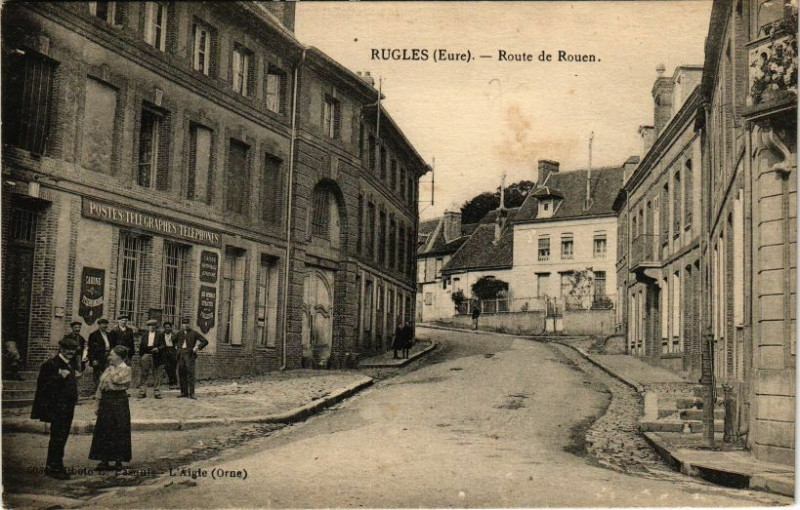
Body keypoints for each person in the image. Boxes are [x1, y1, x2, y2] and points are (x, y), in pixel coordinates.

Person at [30, 337, 80, 480]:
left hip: (67, 408)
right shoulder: (51, 364)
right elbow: (44, 387)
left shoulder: (69, 364)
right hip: (57, 408)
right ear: (61, 349)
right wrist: (59, 377)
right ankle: (53, 467)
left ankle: (57, 465)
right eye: (67, 349)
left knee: (62, 437)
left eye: (73, 350)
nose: (70, 352)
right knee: (57, 437)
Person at [89, 345, 132, 471]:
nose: (109, 357)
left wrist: (112, 370)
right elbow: (101, 385)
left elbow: (117, 380)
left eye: (112, 355)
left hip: (119, 401)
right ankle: (104, 460)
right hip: (106, 401)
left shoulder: (127, 369)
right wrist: (97, 403)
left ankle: (119, 460)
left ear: (119, 357)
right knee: (104, 429)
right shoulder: (109, 368)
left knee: (119, 429)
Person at [175, 317, 208, 399]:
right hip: (181, 354)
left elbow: (205, 341)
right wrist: (177, 347)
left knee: (190, 374)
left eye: (187, 324)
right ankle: (183, 392)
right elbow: (173, 341)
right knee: (181, 373)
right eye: (184, 324)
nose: (185, 325)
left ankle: (192, 393)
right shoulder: (180, 333)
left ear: (189, 324)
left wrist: (197, 347)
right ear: (182, 325)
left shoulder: (194, 333)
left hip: (189, 355)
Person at [137, 319, 165, 398]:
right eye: (150, 326)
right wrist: (141, 356)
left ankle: (157, 392)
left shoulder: (160, 334)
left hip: (156, 355)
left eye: (153, 326)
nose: (151, 327)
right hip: (146, 354)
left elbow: (163, 345)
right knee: (144, 374)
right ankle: (142, 392)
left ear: (156, 326)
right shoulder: (145, 335)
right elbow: (141, 346)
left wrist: (158, 349)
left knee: (156, 374)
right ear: (148, 327)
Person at [87, 318, 112, 392]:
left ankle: (105, 389)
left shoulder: (108, 334)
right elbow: (91, 348)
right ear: (99, 325)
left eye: (106, 324)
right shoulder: (93, 335)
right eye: (103, 324)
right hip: (98, 357)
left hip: (107, 357)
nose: (105, 326)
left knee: (107, 373)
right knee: (97, 374)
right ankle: (97, 389)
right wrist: (93, 359)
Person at [161, 321, 179, 389]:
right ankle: (171, 382)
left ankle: (175, 383)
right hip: (165, 351)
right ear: (164, 328)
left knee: (173, 367)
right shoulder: (162, 335)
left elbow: (177, 343)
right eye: (166, 327)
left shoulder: (174, 335)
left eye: (168, 327)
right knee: (167, 367)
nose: (167, 329)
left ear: (171, 328)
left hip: (173, 351)